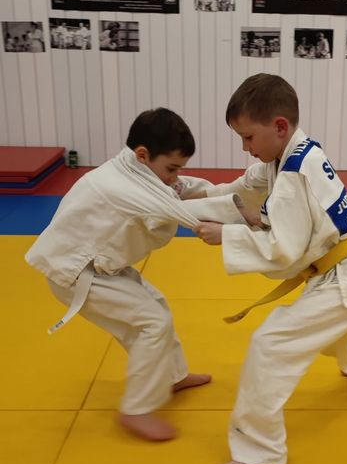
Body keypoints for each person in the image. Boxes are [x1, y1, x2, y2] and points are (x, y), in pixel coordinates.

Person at [197, 73, 347, 464]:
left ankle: (262, 449)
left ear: (279, 126)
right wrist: (188, 192)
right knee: (329, 334)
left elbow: (283, 251)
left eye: (248, 137)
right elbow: (241, 190)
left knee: (270, 344)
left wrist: (227, 235)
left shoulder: (291, 178)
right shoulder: (296, 154)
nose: (245, 147)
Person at [25, 108, 252, 443]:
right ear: (143, 155)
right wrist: (250, 217)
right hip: (75, 274)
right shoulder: (119, 185)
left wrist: (230, 191)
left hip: (103, 266)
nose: (175, 176)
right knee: (151, 323)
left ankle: (173, 375)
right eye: (171, 168)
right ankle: (137, 409)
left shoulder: (137, 170)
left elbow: (182, 188)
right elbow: (179, 209)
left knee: (156, 306)